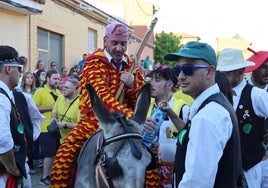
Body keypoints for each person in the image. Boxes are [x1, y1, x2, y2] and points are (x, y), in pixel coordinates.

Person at [51, 21, 145, 187]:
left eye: (123, 44)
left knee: (150, 167)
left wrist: (132, 87)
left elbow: (141, 100)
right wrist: (131, 117)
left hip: (126, 127)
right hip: (94, 122)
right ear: (105, 41)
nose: (119, 48)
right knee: (63, 158)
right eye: (114, 43)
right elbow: (102, 99)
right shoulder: (94, 62)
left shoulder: (133, 67)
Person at [164, 41, 242, 187]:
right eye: (177, 70)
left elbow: (196, 182)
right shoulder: (212, 106)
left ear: (210, 72)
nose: (180, 76)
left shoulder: (208, 116)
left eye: (188, 69)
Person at [217, 48, 268, 188]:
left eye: (227, 73)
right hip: (224, 168)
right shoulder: (218, 93)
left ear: (240, 72)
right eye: (221, 73)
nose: (222, 77)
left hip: (249, 169)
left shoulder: (257, 95)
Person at [142, 65, 188, 188]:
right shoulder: (145, 106)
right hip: (148, 172)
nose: (151, 83)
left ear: (169, 85)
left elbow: (190, 138)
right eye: (150, 79)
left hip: (174, 174)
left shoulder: (182, 108)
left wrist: (163, 148)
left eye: (157, 80)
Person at [0, 45, 27, 187]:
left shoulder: (5, 95)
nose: (21, 73)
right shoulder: (1, 97)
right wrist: (13, 168)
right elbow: (2, 138)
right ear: (8, 69)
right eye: (20, 69)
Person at [244, 48, 268, 187]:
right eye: (264, 67)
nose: (267, 71)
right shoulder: (241, 92)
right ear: (254, 67)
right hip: (248, 163)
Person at [32, 69, 61, 186]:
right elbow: (33, 108)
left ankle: (52, 175)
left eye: (58, 79)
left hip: (57, 128)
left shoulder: (59, 92)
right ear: (47, 79)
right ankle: (44, 177)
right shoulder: (40, 92)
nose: (57, 81)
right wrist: (49, 107)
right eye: (54, 78)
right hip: (45, 128)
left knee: (55, 153)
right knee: (48, 154)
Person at [51, 76, 79, 141]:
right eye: (63, 86)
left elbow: (80, 124)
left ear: (75, 90)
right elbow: (54, 111)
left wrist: (65, 125)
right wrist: (53, 118)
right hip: (59, 138)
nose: (63, 89)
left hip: (73, 141)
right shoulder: (61, 97)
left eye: (67, 88)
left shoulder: (81, 103)